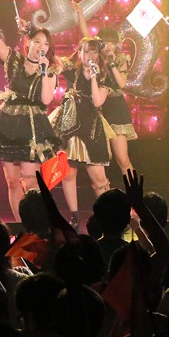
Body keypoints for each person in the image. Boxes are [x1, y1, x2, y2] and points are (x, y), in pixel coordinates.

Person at [0, 0, 59, 220]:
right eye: (37, 42)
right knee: (13, 181)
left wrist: (45, 72)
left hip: (32, 126)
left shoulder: (50, 71)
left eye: (46, 44)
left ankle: (36, 223)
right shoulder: (14, 60)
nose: (41, 47)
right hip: (9, 124)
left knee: (31, 179)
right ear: (29, 42)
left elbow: (46, 99)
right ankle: (19, 225)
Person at [48, 36, 112, 219]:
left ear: (98, 54)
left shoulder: (104, 76)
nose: (90, 56)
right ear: (79, 52)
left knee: (99, 177)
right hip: (70, 125)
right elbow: (53, 59)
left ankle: (108, 216)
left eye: (94, 52)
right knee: (68, 173)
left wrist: (94, 78)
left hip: (91, 127)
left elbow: (97, 102)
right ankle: (74, 216)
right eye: (86, 51)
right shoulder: (71, 69)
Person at [73, 3, 137, 175]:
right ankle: (103, 189)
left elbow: (121, 84)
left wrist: (111, 62)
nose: (108, 47)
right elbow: (86, 35)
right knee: (98, 158)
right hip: (97, 108)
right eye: (105, 43)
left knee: (122, 159)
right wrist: (80, 13)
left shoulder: (120, 58)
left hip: (115, 108)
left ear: (117, 45)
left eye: (112, 44)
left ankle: (133, 190)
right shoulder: (96, 57)